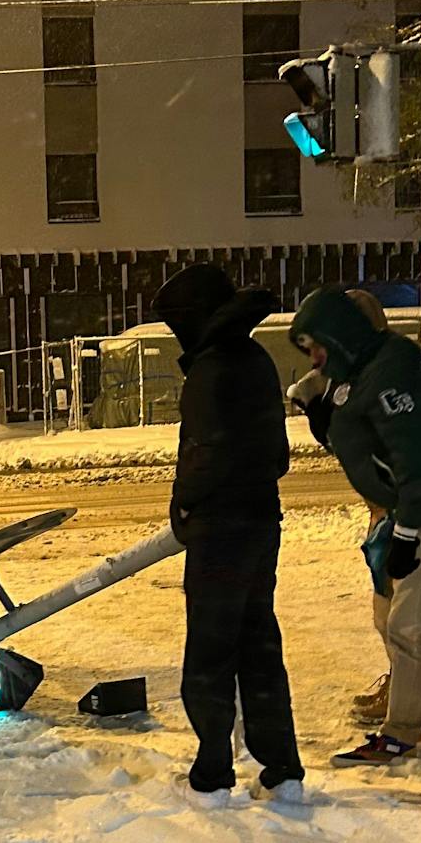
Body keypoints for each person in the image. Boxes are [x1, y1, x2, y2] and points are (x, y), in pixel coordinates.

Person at [287, 287, 421, 767]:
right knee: (389, 618)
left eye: (314, 347)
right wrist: (322, 412)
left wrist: (408, 534)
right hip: (403, 509)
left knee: (411, 626)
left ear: (336, 333)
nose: (314, 358)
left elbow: (419, 464)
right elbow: (365, 445)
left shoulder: (390, 375)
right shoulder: (361, 370)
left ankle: (402, 735)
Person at [153, 264, 302, 800]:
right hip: (263, 521)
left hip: (220, 531)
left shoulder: (212, 370)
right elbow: (275, 454)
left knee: (211, 653)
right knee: (259, 644)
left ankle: (213, 771)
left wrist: (185, 503)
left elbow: (202, 454)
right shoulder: (257, 359)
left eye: (176, 325)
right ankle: (281, 764)